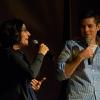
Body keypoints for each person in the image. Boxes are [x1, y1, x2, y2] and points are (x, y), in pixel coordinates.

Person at [0, 18, 49, 100]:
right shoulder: (7, 53)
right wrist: (41, 54)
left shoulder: (19, 54)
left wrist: (30, 85)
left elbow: (27, 75)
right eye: (25, 30)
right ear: (15, 32)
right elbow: (31, 73)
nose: (29, 34)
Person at [56, 10, 100, 100]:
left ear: (98, 27)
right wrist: (80, 57)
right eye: (83, 27)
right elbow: (59, 75)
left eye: (90, 26)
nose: (86, 30)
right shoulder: (70, 46)